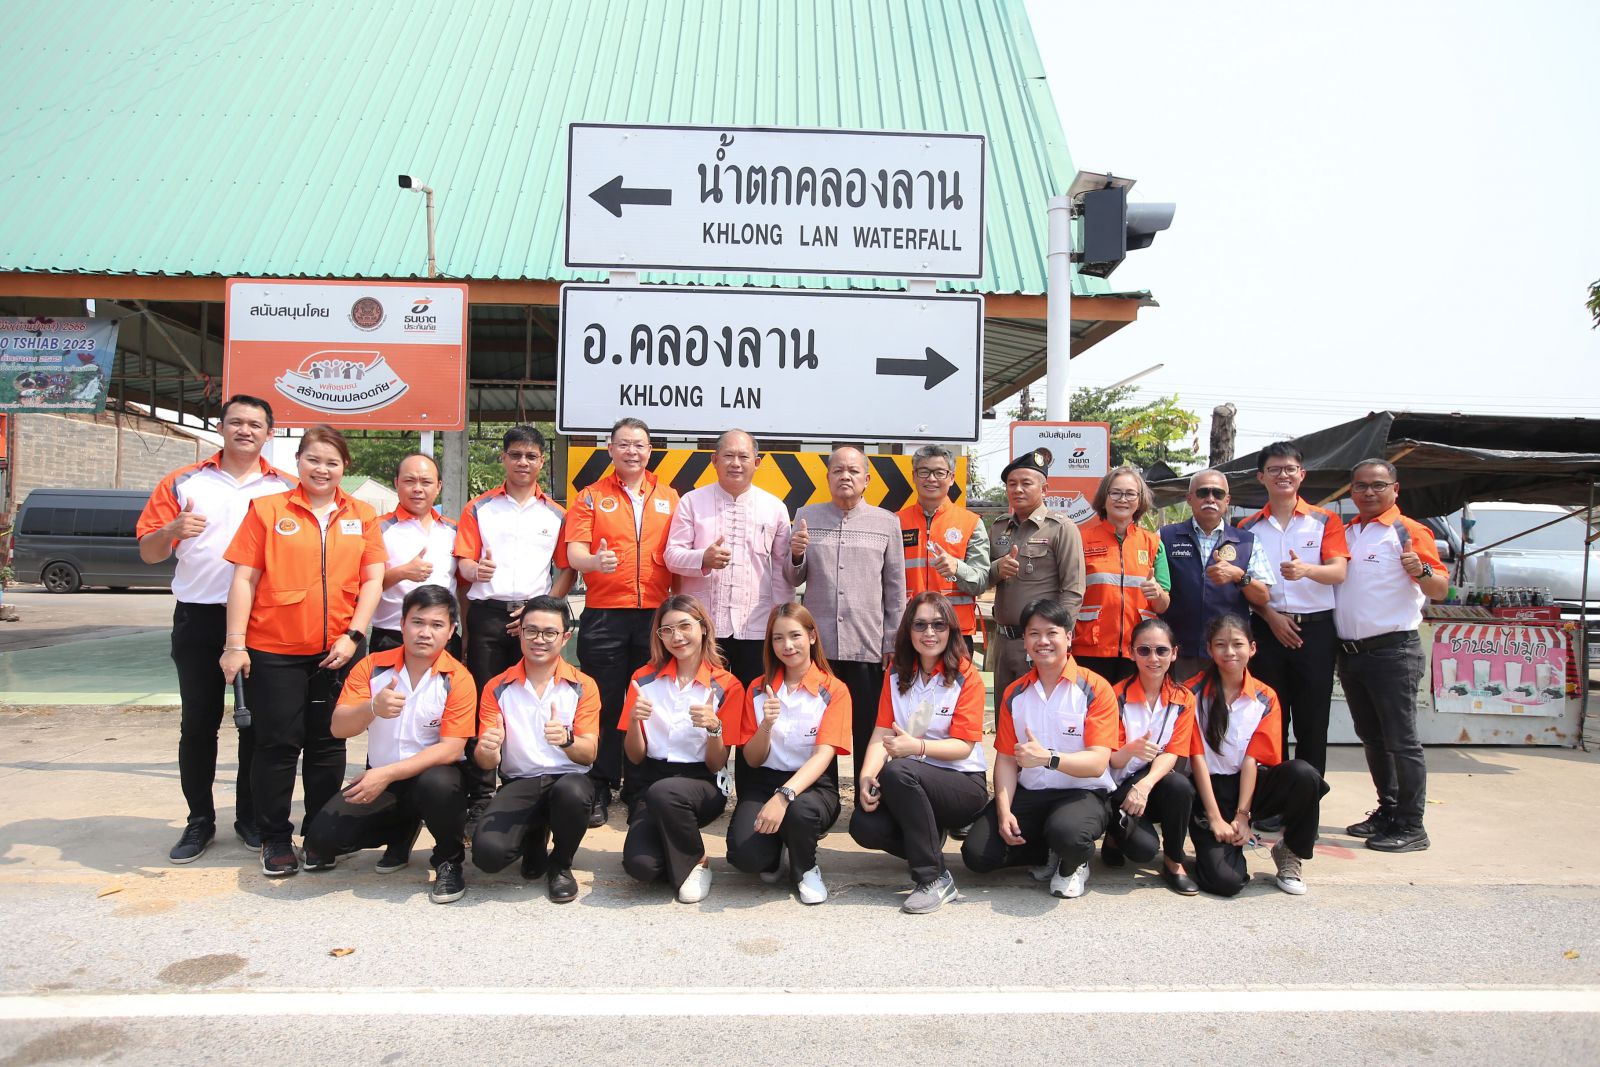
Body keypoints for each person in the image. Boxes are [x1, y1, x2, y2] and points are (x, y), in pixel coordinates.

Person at [220, 425, 387, 877]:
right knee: (276, 745)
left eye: (332, 462)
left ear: (345, 467)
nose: (322, 469)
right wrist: (235, 644)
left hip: (340, 649)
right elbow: (244, 579)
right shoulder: (267, 510)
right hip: (274, 649)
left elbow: (373, 579)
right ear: (298, 462)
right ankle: (274, 837)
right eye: (313, 459)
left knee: (329, 743)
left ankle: (319, 833)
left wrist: (354, 635)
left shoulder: (363, 515)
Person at [137, 394, 294, 862]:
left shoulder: (285, 488)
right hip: (200, 616)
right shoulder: (184, 482)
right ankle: (199, 821)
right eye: (236, 422)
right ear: (221, 428)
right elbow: (148, 552)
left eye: (255, 424)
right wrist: (171, 531)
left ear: (269, 433)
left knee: (257, 727)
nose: (245, 430)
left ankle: (250, 818)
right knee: (198, 724)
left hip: (262, 621)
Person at [303, 586, 476, 904]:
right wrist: (372, 708)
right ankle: (401, 830)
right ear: (402, 624)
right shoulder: (372, 667)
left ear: (452, 630)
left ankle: (449, 860)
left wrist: (386, 775)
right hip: (382, 778)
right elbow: (339, 727)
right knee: (321, 842)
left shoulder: (459, 678)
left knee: (439, 784)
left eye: (437, 625)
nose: (425, 633)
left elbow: (452, 749)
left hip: (431, 777)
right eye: (417, 622)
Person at [454, 426, 576, 832]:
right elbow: (463, 562)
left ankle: (523, 788)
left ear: (542, 461)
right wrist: (475, 569)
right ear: (503, 458)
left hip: (535, 619)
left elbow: (566, 569)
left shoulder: (556, 514)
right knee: (486, 702)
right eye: (516, 455)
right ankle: (480, 797)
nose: (523, 462)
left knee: (533, 701)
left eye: (531, 456)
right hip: (489, 614)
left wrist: (544, 607)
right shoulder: (479, 508)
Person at [566, 417, 680, 828]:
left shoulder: (670, 496)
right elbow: (575, 553)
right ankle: (599, 783)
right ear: (610, 449)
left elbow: (680, 554)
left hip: (654, 616)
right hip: (604, 613)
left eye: (640, 445)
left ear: (650, 451)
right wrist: (594, 562)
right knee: (604, 701)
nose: (632, 451)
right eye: (624, 444)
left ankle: (639, 787)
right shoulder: (590, 497)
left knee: (646, 702)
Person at [960, 598, 1116, 900]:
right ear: (1025, 641)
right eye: (1034, 633)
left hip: (1081, 792)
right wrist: (1004, 812)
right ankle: (1048, 850)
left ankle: (1074, 861)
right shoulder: (1015, 693)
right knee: (977, 854)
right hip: (1032, 793)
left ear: (1068, 637)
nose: (1043, 641)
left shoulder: (1095, 688)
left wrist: (1049, 758)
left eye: (1051, 633)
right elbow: (1006, 760)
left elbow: (1098, 763)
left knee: (1068, 834)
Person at [1333, 459, 1447, 854]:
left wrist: (1421, 570)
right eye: (1360, 485)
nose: (1368, 492)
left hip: (1394, 650)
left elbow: (1440, 590)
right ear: (1351, 490)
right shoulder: (1346, 532)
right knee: (1373, 738)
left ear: (1395, 489)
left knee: (1402, 742)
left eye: (1378, 485)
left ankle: (1412, 825)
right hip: (1352, 653)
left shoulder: (1409, 531)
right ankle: (1389, 810)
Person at [849, 592, 988, 914]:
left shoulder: (967, 675)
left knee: (898, 771)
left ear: (951, 630)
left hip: (962, 783)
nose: (929, 633)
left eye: (938, 625)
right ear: (908, 631)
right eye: (920, 625)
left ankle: (933, 877)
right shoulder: (896, 672)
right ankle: (928, 839)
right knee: (863, 826)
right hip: (911, 785)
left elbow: (964, 746)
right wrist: (865, 777)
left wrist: (918, 747)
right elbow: (882, 731)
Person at [1185, 613, 1328, 897]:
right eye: (1221, 644)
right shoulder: (1191, 693)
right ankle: (1202, 856)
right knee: (1226, 882)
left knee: (1304, 775)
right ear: (1210, 649)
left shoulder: (1265, 697)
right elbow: (1197, 757)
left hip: (1247, 786)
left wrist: (1243, 817)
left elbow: (1253, 758)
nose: (1229, 652)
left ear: (1252, 648)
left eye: (1237, 644)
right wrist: (1215, 818)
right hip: (1208, 789)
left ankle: (1290, 851)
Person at [787, 446, 906, 784]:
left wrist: (892, 641)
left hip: (867, 643)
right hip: (819, 646)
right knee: (817, 725)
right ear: (827, 477)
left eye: (853, 471)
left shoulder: (886, 522)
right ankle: (819, 795)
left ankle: (868, 793)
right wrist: (796, 555)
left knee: (868, 726)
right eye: (838, 470)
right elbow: (793, 578)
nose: (845, 476)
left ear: (867, 480)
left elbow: (895, 588)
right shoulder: (806, 516)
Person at [470, 595, 600, 903]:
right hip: (520, 782)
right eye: (531, 630)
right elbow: (486, 762)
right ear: (520, 632)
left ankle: (561, 864)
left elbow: (589, 754)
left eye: (549, 632)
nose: (539, 639)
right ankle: (534, 834)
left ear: (565, 637)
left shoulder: (583, 685)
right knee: (488, 856)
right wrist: (488, 748)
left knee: (573, 793)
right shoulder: (497, 687)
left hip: (568, 780)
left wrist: (566, 740)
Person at [618, 595, 745, 903]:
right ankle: (675, 846)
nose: (677, 637)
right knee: (641, 866)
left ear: (703, 628)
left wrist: (714, 728)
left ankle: (698, 862)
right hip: (650, 781)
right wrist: (634, 721)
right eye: (667, 630)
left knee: (666, 792)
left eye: (685, 626)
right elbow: (635, 756)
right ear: (659, 636)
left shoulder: (727, 685)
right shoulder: (642, 679)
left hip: (702, 782)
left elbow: (716, 763)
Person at [725, 604, 853, 905]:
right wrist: (766, 725)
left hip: (812, 786)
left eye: (795, 635)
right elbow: (752, 759)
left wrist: (783, 797)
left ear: (812, 636)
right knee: (745, 856)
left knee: (800, 812)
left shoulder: (834, 690)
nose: (787, 645)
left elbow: (823, 755)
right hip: (763, 782)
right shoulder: (757, 689)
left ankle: (805, 867)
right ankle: (775, 850)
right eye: (778, 638)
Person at [1238, 442, 1349, 781]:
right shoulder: (1247, 528)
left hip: (1315, 632)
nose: (1282, 475)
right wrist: (1270, 616)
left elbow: (1338, 572)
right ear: (1261, 477)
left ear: (1302, 474)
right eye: (1274, 470)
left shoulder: (1325, 520)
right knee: (1270, 717)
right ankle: (1275, 795)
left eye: (1289, 469)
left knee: (1312, 719)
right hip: (1266, 628)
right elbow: (1242, 584)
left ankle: (1309, 797)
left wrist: (1306, 570)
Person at [664, 429, 793, 685]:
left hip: (756, 624)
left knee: (754, 695)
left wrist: (781, 620)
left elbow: (782, 571)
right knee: (704, 695)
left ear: (756, 462)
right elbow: (672, 556)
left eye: (743, 457)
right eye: (728, 456)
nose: (736, 463)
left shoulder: (774, 507)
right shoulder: (691, 502)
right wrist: (703, 559)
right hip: (702, 625)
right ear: (714, 460)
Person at [1103, 617, 1200, 895]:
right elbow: (1112, 760)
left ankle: (1174, 862)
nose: (1153, 658)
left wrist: (1144, 785)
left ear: (1174, 653)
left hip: (1152, 782)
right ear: (1131, 652)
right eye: (1144, 650)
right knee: (1143, 851)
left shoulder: (1184, 698)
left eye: (1161, 650)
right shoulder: (1115, 696)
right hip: (1119, 786)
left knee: (1180, 786)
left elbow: (1174, 752)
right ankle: (1113, 836)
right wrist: (1131, 750)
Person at [986, 451, 1085, 703]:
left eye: (1026, 483)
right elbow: (982, 577)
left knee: (1040, 713)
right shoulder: (999, 527)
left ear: (1044, 489)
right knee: (1004, 714)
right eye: (1012, 484)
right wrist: (998, 569)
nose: (1018, 489)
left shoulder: (1061, 528)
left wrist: (1056, 638)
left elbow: (1073, 590)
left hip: (1040, 644)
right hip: (1003, 641)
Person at [1159, 469, 1273, 680]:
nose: (1210, 499)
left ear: (1227, 500)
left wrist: (1239, 576)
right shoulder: (1165, 536)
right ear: (1189, 498)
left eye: (1218, 494)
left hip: (1227, 652)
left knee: (1225, 702)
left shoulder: (1247, 541)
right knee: (1179, 701)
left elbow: (1263, 596)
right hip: (1178, 650)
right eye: (1203, 492)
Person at [1074, 466, 1170, 685]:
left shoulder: (1153, 543)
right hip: (1090, 647)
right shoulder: (1081, 539)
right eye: (1115, 493)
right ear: (1104, 498)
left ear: (1140, 500)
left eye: (1130, 494)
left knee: (1131, 707)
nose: (1122, 499)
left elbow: (1163, 605)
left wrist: (1157, 593)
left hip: (1138, 650)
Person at [897, 444, 991, 655]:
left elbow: (981, 582)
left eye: (940, 472)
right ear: (914, 476)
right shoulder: (895, 522)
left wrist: (957, 568)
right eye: (924, 472)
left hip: (955, 632)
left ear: (952, 477)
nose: (931, 479)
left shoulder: (971, 523)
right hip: (909, 629)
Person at [371, 453, 459, 657]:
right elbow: (364, 585)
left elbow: (462, 587)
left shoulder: (453, 530)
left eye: (426, 482)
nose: (417, 488)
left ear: (438, 487)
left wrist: (467, 636)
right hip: (391, 636)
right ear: (396, 483)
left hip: (443, 638)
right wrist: (402, 573)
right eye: (409, 481)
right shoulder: (377, 528)